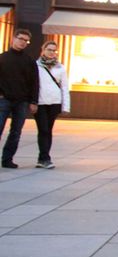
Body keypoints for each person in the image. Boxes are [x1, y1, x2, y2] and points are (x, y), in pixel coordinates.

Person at [0, 29, 38, 169]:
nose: (22, 42)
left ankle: (7, 159)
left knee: (16, 132)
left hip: (21, 101)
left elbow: (34, 82)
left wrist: (33, 101)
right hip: (3, 100)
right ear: (13, 38)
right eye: (20, 39)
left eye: (25, 41)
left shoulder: (29, 61)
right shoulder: (2, 58)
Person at [34, 41, 71, 169]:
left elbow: (64, 87)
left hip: (55, 102)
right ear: (43, 50)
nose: (52, 53)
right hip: (40, 102)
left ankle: (43, 157)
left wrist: (66, 106)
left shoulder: (60, 67)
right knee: (43, 129)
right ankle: (45, 158)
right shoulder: (36, 66)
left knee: (48, 130)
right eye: (49, 50)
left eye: (54, 50)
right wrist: (32, 102)